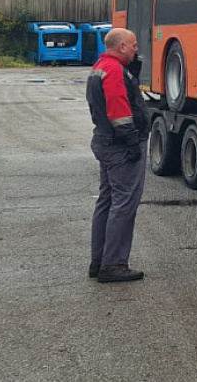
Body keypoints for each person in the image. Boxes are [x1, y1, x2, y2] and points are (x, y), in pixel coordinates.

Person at [86, 27, 150, 283]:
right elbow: (119, 111)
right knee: (124, 204)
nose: (136, 48)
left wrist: (131, 76)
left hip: (106, 141)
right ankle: (113, 264)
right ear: (122, 46)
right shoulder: (113, 71)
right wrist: (132, 142)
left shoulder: (102, 66)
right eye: (133, 45)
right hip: (120, 145)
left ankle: (99, 259)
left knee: (107, 200)